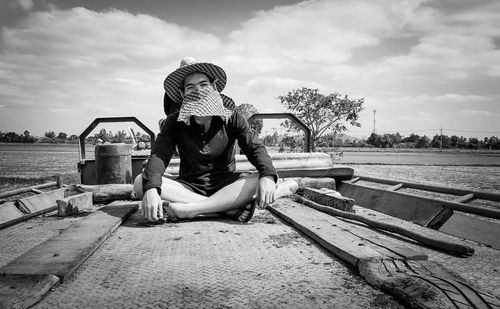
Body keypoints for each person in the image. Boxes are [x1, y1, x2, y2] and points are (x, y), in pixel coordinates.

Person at [134, 57, 296, 223]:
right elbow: (159, 155)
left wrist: (268, 176)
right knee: (141, 183)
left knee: (258, 179)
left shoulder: (233, 118)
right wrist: (152, 189)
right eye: (190, 87)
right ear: (183, 94)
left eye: (204, 85)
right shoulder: (174, 122)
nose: (198, 91)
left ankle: (191, 210)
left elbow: (256, 148)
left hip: (226, 186)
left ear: (214, 87)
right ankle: (224, 209)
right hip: (189, 186)